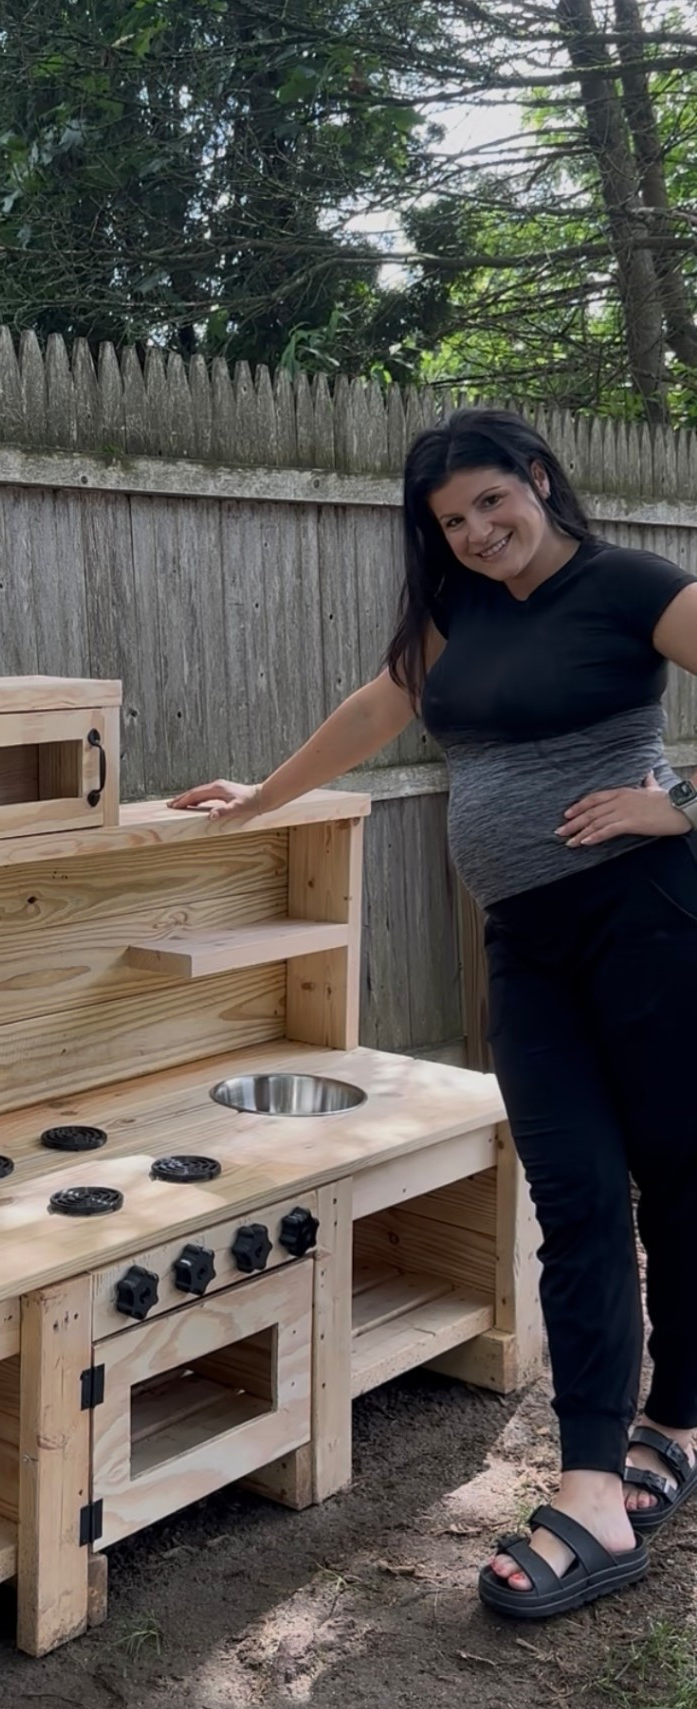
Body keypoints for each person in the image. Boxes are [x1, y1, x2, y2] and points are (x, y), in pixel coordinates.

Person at [170, 405, 697, 1621]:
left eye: (488, 503)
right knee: (570, 1194)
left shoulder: (631, 585)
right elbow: (375, 705)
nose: (473, 532)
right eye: (448, 520)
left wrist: (677, 804)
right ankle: (590, 1480)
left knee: (673, 1181)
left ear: (538, 480)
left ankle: (669, 1423)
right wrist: (262, 797)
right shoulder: (453, 612)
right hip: (525, 946)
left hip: (650, 927)